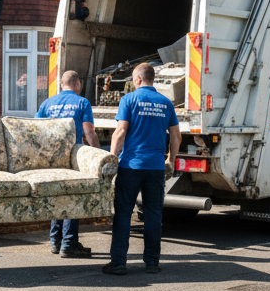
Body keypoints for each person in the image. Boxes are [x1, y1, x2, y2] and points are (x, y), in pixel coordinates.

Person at [106, 63, 181, 275]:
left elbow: (120, 132)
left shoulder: (129, 99)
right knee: (153, 215)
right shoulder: (165, 103)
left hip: (131, 166)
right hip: (155, 168)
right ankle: (152, 263)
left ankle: (118, 263)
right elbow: (176, 136)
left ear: (138, 79)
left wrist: (112, 159)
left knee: (123, 213)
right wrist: (170, 160)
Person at [35, 70, 98, 258]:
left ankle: (56, 241)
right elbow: (89, 133)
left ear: (61, 84)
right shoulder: (82, 102)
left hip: (52, 158)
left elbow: (36, 130)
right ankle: (69, 243)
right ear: (77, 84)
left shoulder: (47, 103)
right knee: (73, 196)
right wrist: (97, 154)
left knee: (58, 196)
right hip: (73, 157)